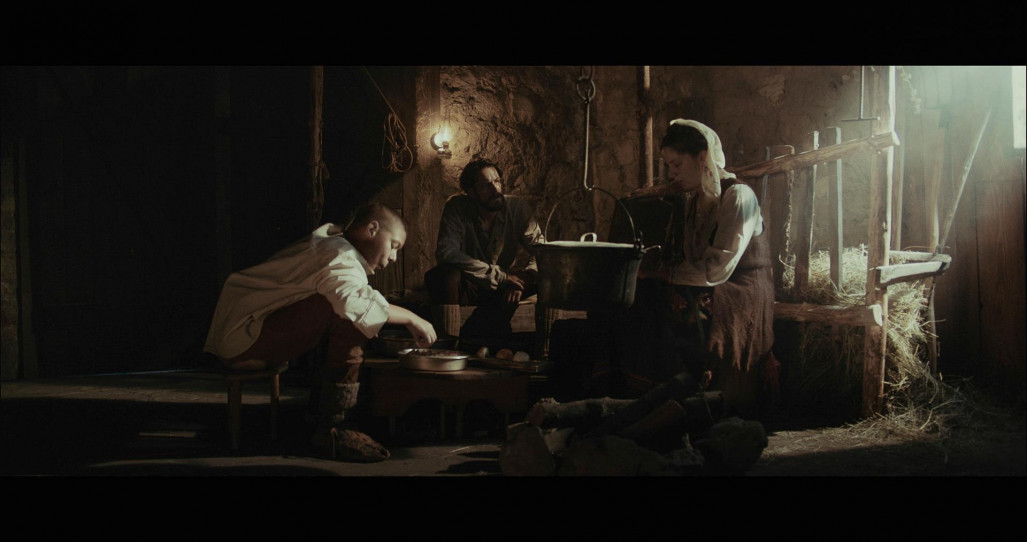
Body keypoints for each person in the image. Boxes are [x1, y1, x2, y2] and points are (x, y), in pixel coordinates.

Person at [203, 203, 437, 462]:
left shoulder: (337, 247)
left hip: (245, 336)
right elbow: (353, 303)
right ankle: (335, 427)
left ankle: (320, 413)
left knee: (350, 306)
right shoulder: (338, 254)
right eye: (394, 245)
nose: (393, 258)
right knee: (349, 312)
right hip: (244, 338)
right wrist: (413, 318)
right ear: (372, 229)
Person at [587, 119, 778, 418]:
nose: (672, 172)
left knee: (656, 303)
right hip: (708, 284)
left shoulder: (739, 196)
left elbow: (718, 269)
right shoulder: (697, 201)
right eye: (668, 165)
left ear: (702, 157)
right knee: (623, 299)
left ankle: (663, 396)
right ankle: (626, 394)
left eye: (677, 163)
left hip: (739, 292)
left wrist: (663, 274)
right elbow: (691, 259)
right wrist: (654, 271)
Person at [425, 158, 545, 345]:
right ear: (471, 192)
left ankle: (544, 349)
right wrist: (500, 277)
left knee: (550, 276)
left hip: (505, 287)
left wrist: (525, 278)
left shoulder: (517, 208)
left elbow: (543, 252)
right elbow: (446, 253)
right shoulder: (457, 207)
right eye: (486, 186)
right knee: (444, 275)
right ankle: (448, 347)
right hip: (473, 284)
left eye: (497, 181)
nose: (495, 189)